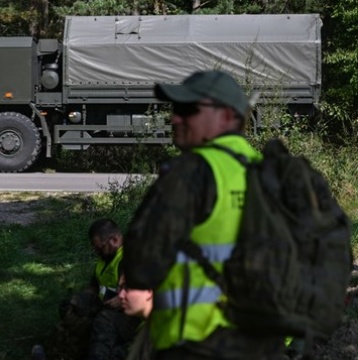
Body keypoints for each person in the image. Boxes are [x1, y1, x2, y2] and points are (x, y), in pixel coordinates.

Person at [121, 70, 285, 360]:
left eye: (187, 109)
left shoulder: (193, 170)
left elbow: (143, 256)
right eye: (174, 109)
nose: (175, 118)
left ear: (226, 116)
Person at [33, 219, 140, 360]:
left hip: (131, 316)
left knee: (103, 321)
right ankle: (61, 352)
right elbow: (94, 287)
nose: (97, 252)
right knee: (68, 308)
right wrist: (78, 300)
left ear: (114, 239)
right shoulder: (105, 259)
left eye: (99, 248)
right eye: (94, 249)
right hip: (106, 305)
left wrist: (122, 299)